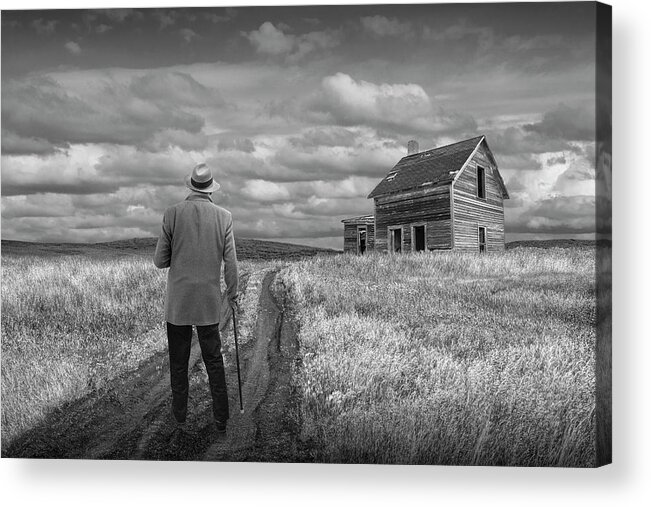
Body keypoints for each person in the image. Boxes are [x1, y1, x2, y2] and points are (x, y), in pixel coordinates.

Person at [154, 163, 239, 435]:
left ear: (190, 185)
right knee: (213, 360)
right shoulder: (224, 217)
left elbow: (159, 261)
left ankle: (179, 419)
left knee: (178, 363)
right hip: (208, 303)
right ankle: (221, 420)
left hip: (178, 303)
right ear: (210, 188)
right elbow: (231, 263)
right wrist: (233, 294)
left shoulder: (172, 214)